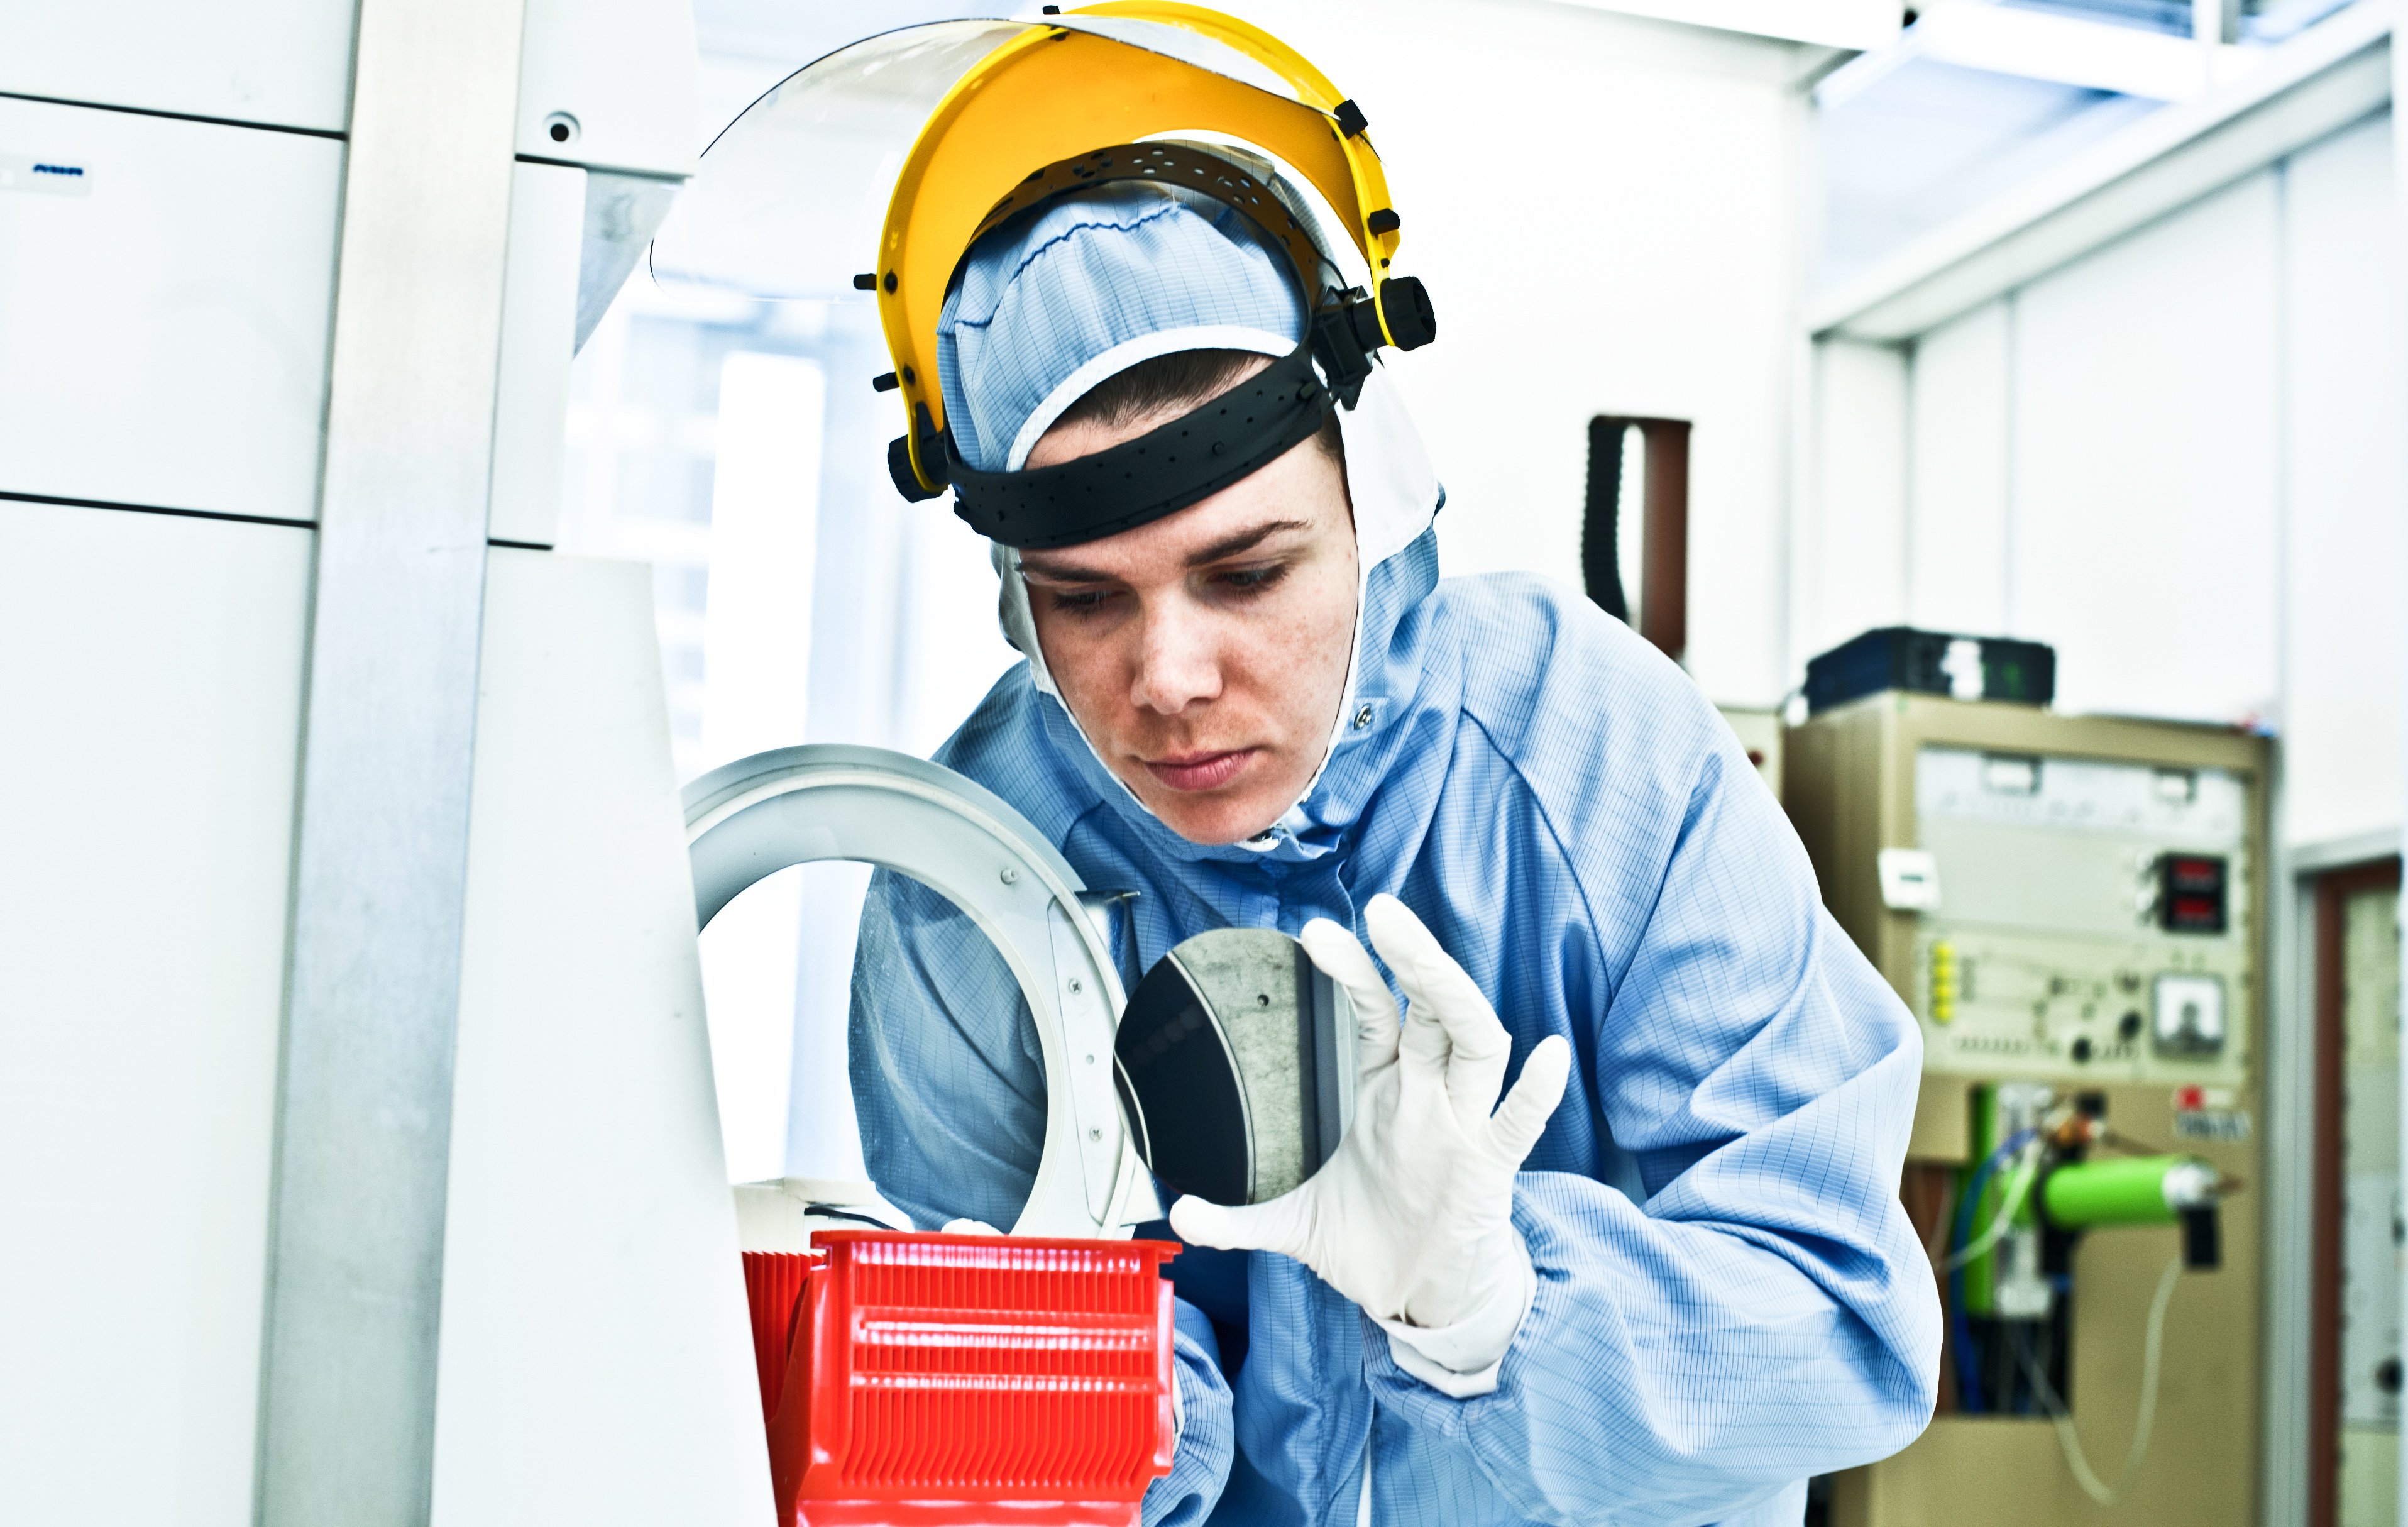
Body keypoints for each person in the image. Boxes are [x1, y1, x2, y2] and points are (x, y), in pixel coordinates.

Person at [845, 175, 1940, 1526]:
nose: (1168, 677)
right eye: (1083, 602)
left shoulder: (1597, 759)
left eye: (1245, 575)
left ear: (1382, 508)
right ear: (1016, 608)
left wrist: (1490, 1308)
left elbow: (1840, 1331)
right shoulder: (977, 876)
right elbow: (1004, 1399)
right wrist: (1114, 1397)